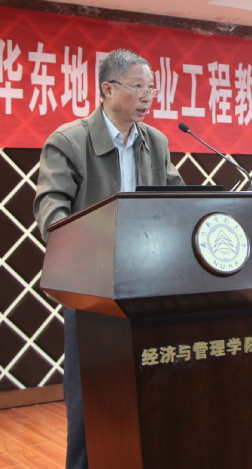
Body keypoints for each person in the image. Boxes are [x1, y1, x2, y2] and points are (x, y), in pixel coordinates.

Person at [33, 49, 184, 468]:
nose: (147, 95)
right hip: (92, 286)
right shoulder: (69, 140)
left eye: (151, 87)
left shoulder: (156, 142)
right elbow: (51, 211)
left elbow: (178, 200)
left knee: (148, 386)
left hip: (149, 283)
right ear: (107, 88)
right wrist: (88, 250)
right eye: (138, 86)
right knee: (92, 392)